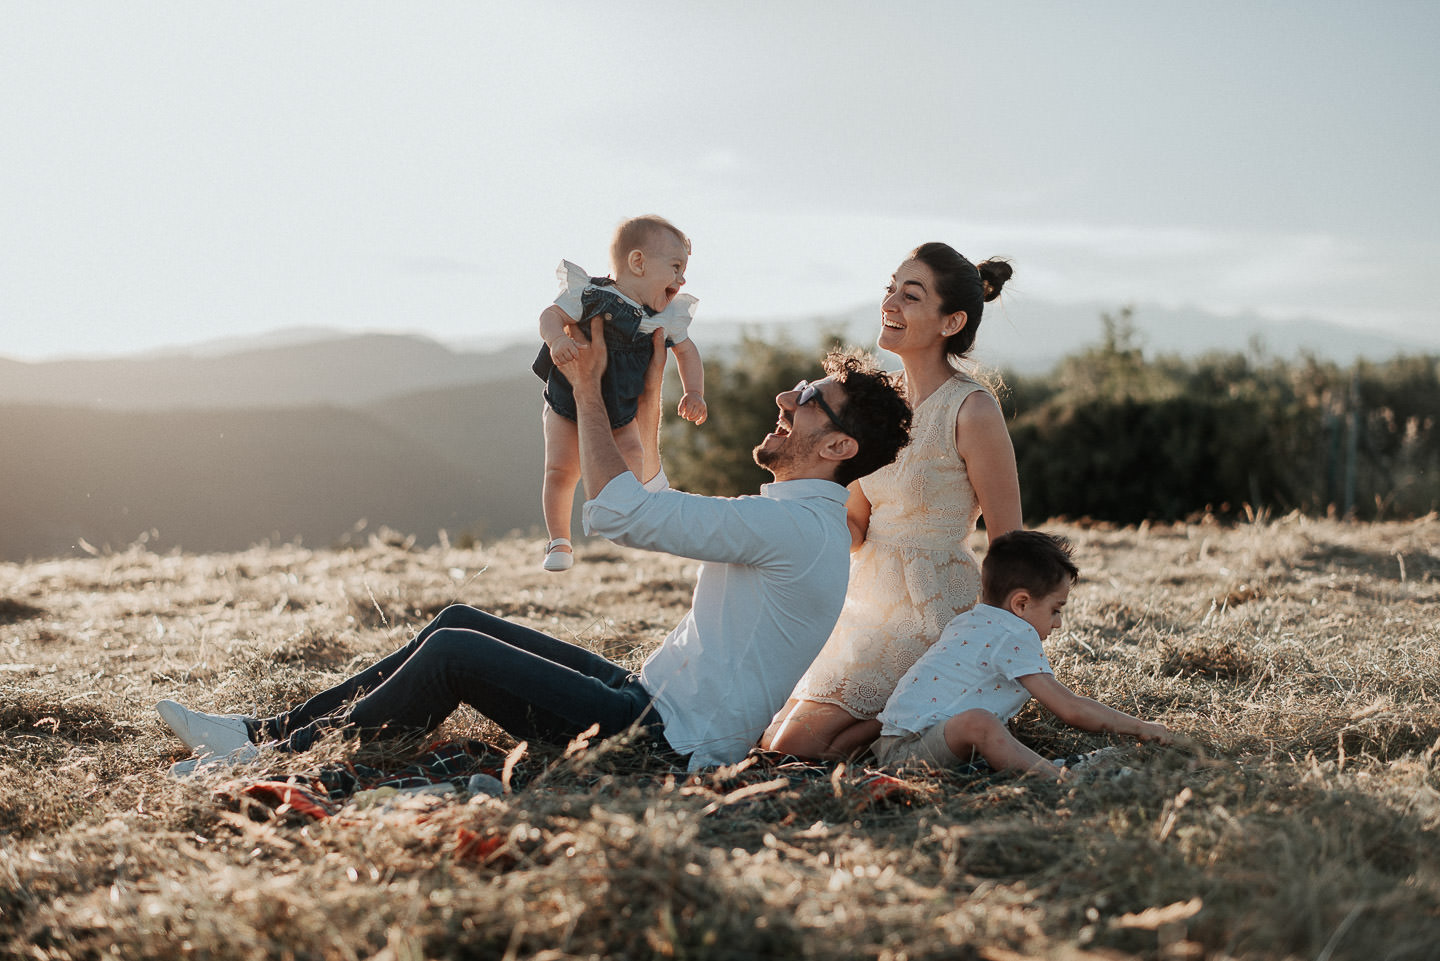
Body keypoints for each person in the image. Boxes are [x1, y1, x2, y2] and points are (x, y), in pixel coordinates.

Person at [156, 315, 912, 776]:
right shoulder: (793, 513)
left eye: (812, 400)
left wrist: (585, 390)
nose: (789, 397)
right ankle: (260, 733)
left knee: (455, 658)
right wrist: (637, 382)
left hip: (664, 746)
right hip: (646, 700)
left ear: (837, 444)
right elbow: (651, 495)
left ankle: (273, 757)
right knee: (458, 621)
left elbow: (619, 515)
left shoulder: (792, 526)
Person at [763, 242, 1022, 760]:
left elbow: (1010, 542)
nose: (889, 303)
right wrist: (790, 529)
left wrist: (994, 641)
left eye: (910, 295)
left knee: (794, 748)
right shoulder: (876, 407)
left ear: (951, 322)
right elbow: (856, 522)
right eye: (890, 289)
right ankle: (891, 732)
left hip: (935, 609)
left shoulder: (972, 410)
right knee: (767, 733)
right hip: (863, 600)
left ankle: (930, 710)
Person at [871, 530, 1172, 778]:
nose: (1059, 622)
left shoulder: (972, 619)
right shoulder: (1013, 633)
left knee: (984, 721)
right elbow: (1070, 708)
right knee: (979, 722)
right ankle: (1061, 778)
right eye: (1055, 610)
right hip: (909, 756)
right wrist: (1143, 727)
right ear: (1021, 604)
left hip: (902, 745)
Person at [533, 215, 707, 572]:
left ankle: (615, 512)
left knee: (633, 453)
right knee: (560, 470)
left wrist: (694, 392)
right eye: (675, 267)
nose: (682, 278)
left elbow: (687, 352)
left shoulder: (664, 317)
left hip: (621, 407)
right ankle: (559, 541)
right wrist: (558, 339)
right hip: (568, 400)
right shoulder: (588, 294)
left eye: (684, 270)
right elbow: (549, 316)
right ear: (638, 262)